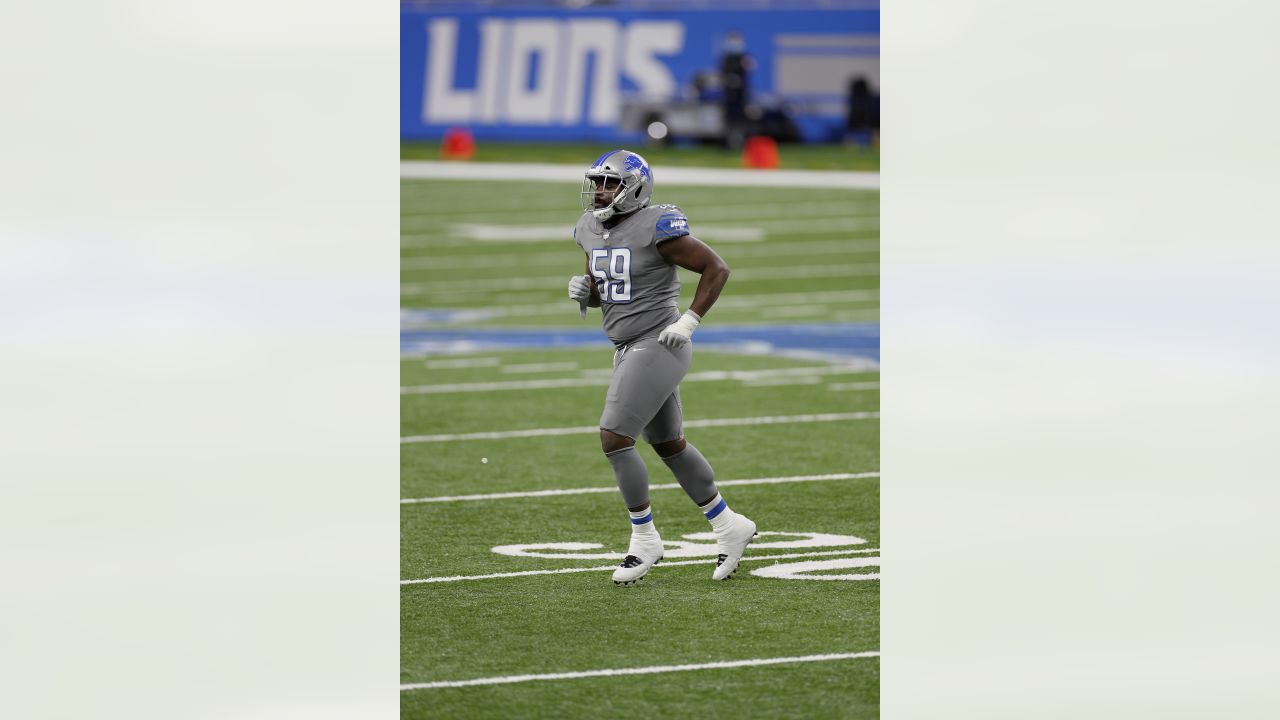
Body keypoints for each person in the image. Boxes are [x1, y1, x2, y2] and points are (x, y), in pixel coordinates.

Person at [566, 149, 757, 586]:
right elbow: (608, 288)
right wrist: (585, 293)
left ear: (634, 186)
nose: (599, 190)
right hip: (627, 344)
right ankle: (730, 526)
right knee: (669, 444)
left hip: (660, 342)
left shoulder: (658, 225)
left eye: (609, 182)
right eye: (597, 182)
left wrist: (689, 320)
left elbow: (716, 267)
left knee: (615, 437)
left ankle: (644, 538)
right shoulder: (589, 227)